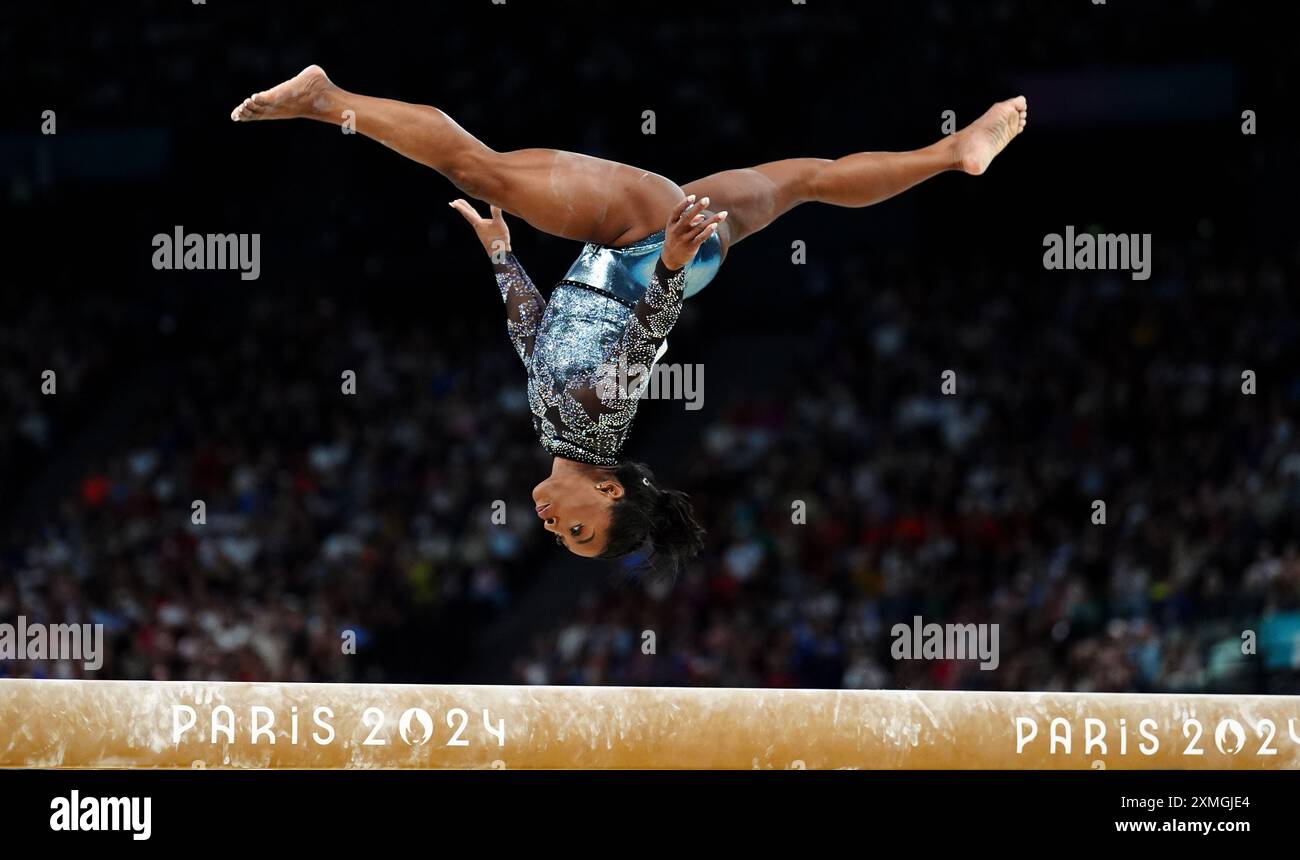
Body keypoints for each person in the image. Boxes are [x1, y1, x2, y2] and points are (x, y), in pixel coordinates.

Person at [231, 65, 1028, 578]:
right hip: (646, 246)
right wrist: (672, 263)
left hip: (672, 251)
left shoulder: (562, 428)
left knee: (808, 182)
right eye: (579, 533)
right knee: (475, 166)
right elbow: (646, 338)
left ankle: (950, 153)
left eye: (564, 541)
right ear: (609, 490)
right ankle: (325, 100)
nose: (553, 529)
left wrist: (504, 258)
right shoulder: (604, 424)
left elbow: (533, 342)